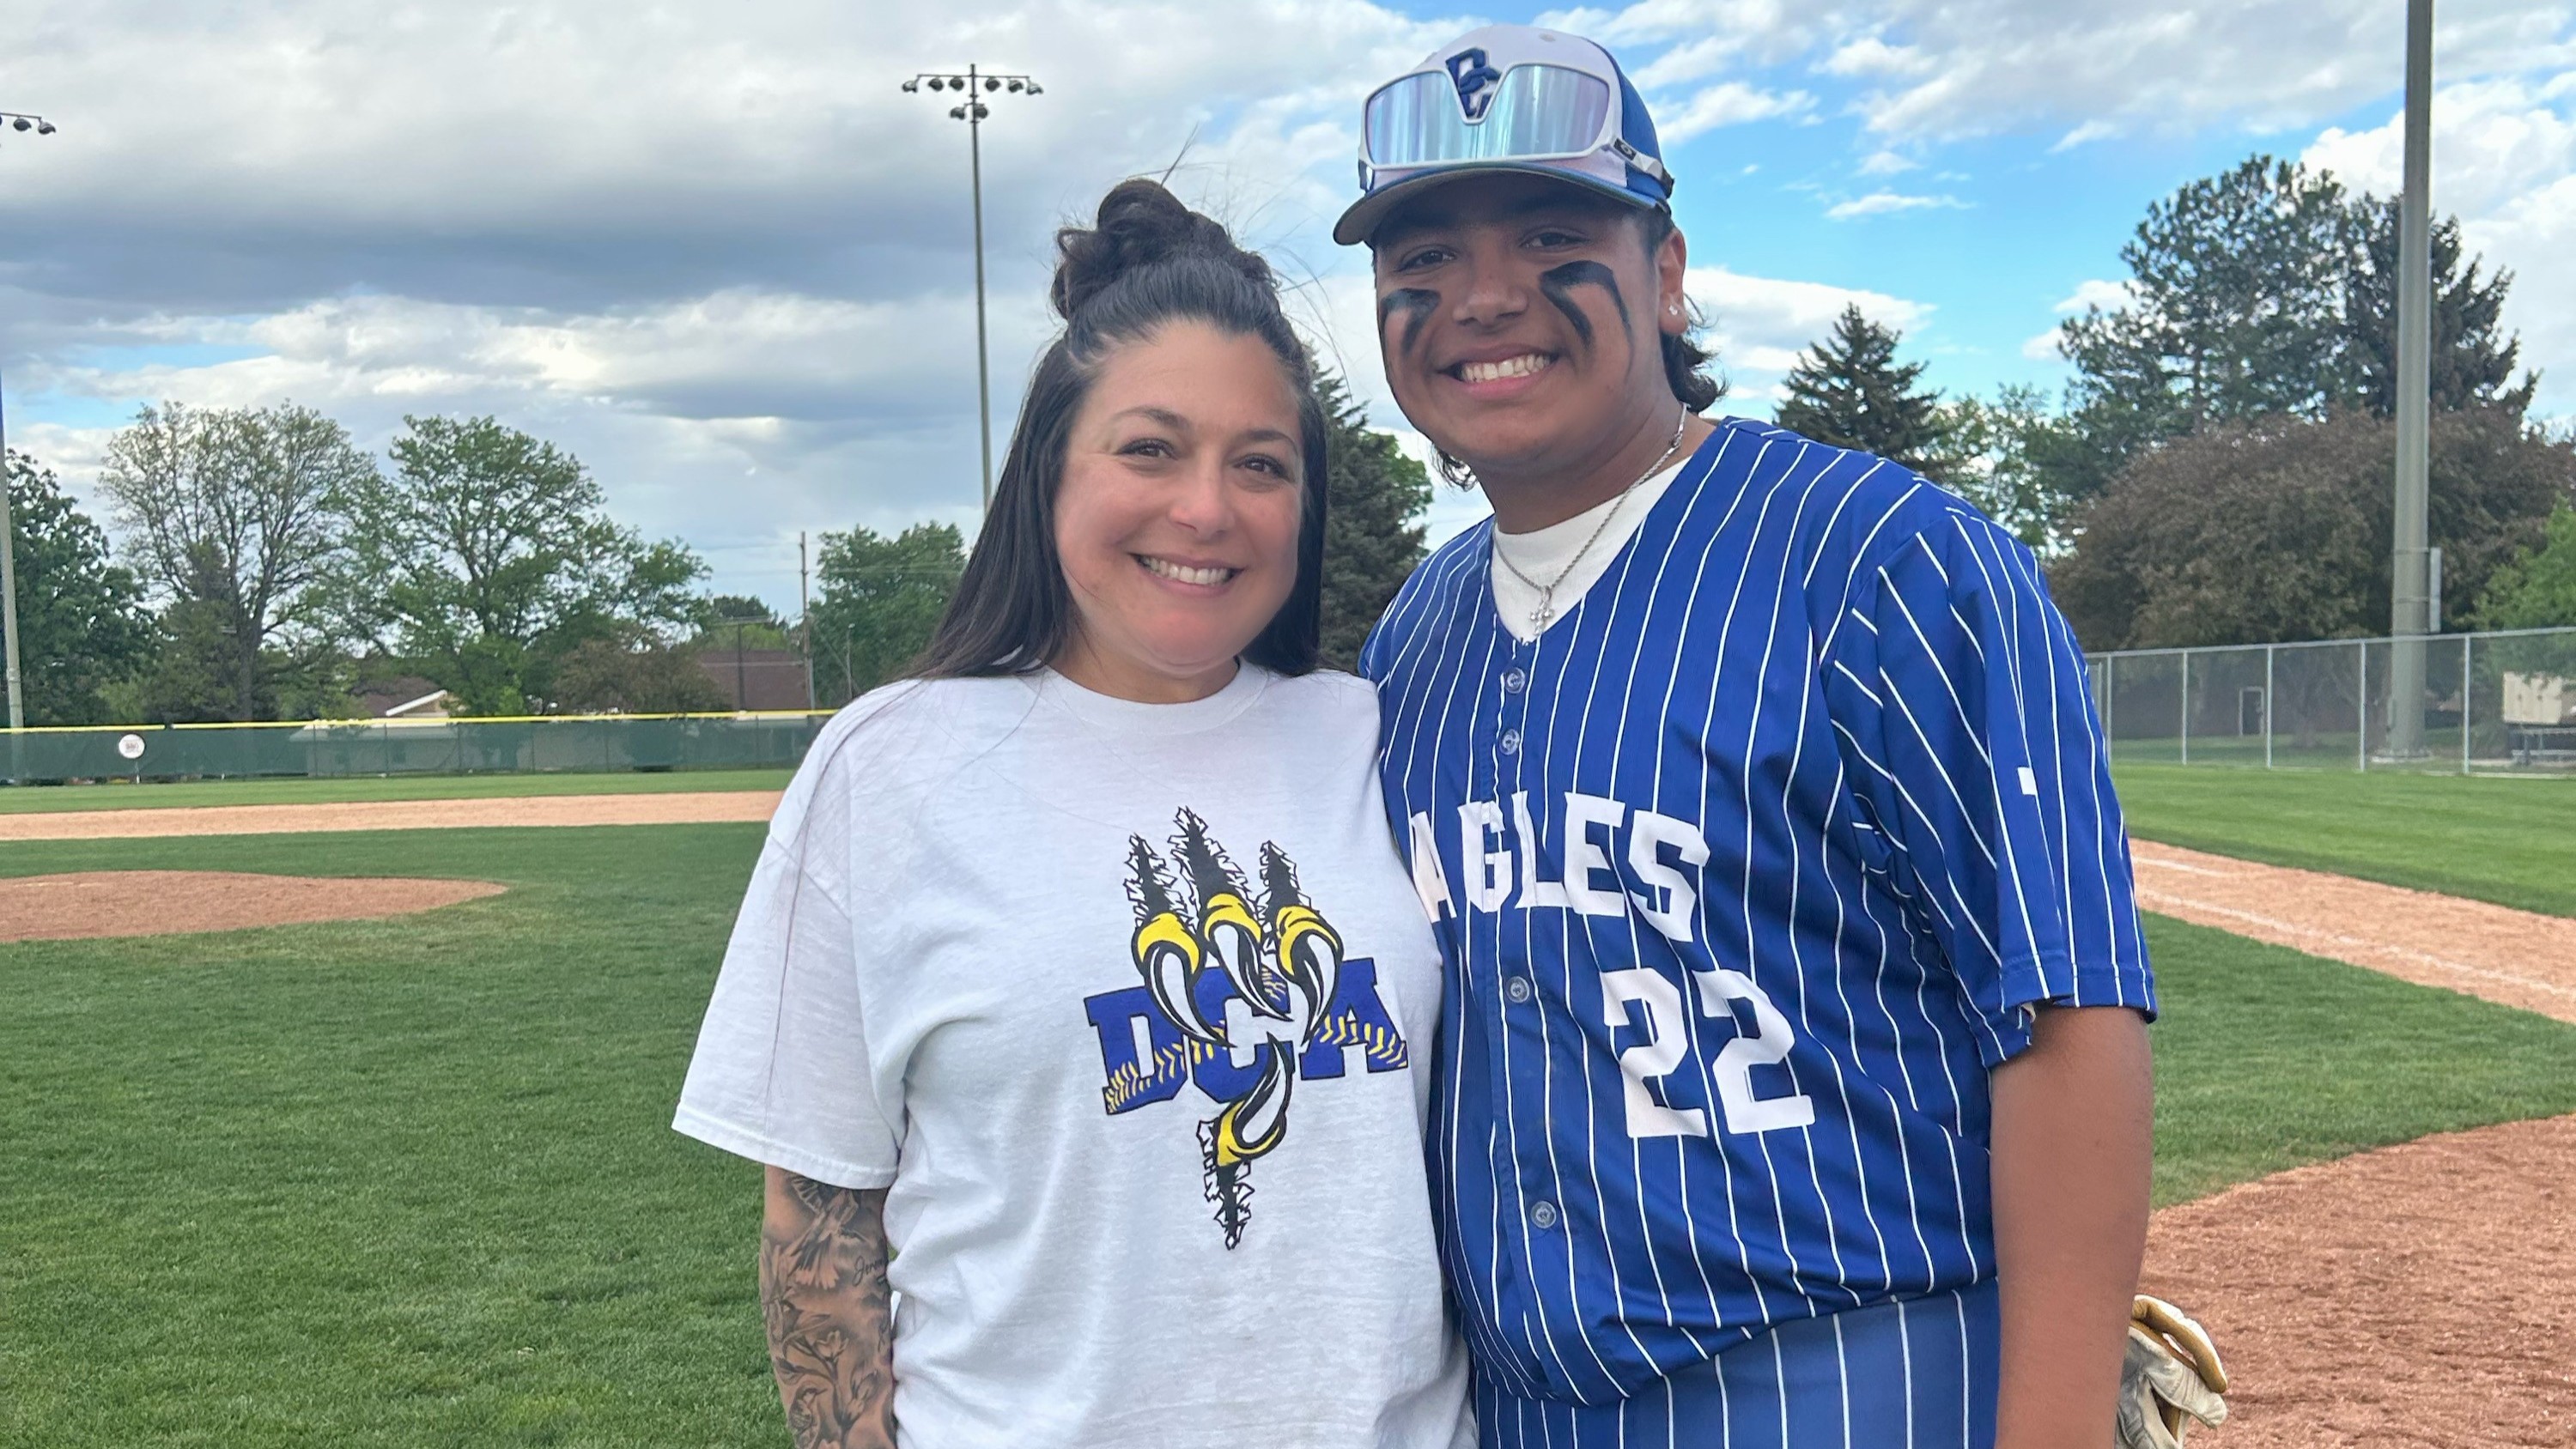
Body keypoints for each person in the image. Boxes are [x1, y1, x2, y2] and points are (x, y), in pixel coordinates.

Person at [1341, 25, 2156, 1449]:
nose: (1484, 294)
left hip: (1853, 1385)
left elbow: (2066, 1017)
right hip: (1516, 1410)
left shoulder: (1889, 558)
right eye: (1425, 257)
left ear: (1666, 273)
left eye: (1552, 235)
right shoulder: (1415, 634)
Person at [673, 179, 1473, 1449]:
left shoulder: (1376, 736)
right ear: (1049, 471)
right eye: (1150, 449)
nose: (1206, 509)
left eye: (1261, 464)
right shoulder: (889, 765)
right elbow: (818, 1225)